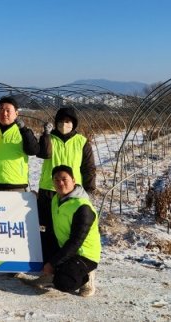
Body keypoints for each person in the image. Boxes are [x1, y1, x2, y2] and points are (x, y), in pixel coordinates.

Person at [36, 107, 97, 262]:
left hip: (72, 194)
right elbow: (43, 153)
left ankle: (71, 262)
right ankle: (48, 264)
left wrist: (89, 190)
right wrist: (45, 135)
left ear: (74, 124)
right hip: (49, 189)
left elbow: (88, 168)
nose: (64, 124)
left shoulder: (81, 142)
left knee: (69, 230)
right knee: (48, 228)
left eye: (68, 121)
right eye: (61, 121)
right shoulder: (49, 138)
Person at [35, 164, 100, 296]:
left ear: (74, 181)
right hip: (64, 247)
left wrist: (52, 264)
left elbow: (75, 242)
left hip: (84, 254)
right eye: (56, 180)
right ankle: (58, 271)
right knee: (40, 237)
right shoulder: (56, 199)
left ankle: (87, 276)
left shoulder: (82, 207)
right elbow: (46, 220)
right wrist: (32, 199)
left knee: (63, 282)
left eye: (64, 179)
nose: (60, 183)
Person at [0, 96, 40, 191]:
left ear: (16, 113)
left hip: (17, 183)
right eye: (1, 109)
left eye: (8, 110)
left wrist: (24, 130)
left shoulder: (24, 132)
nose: (4, 113)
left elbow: (33, 150)